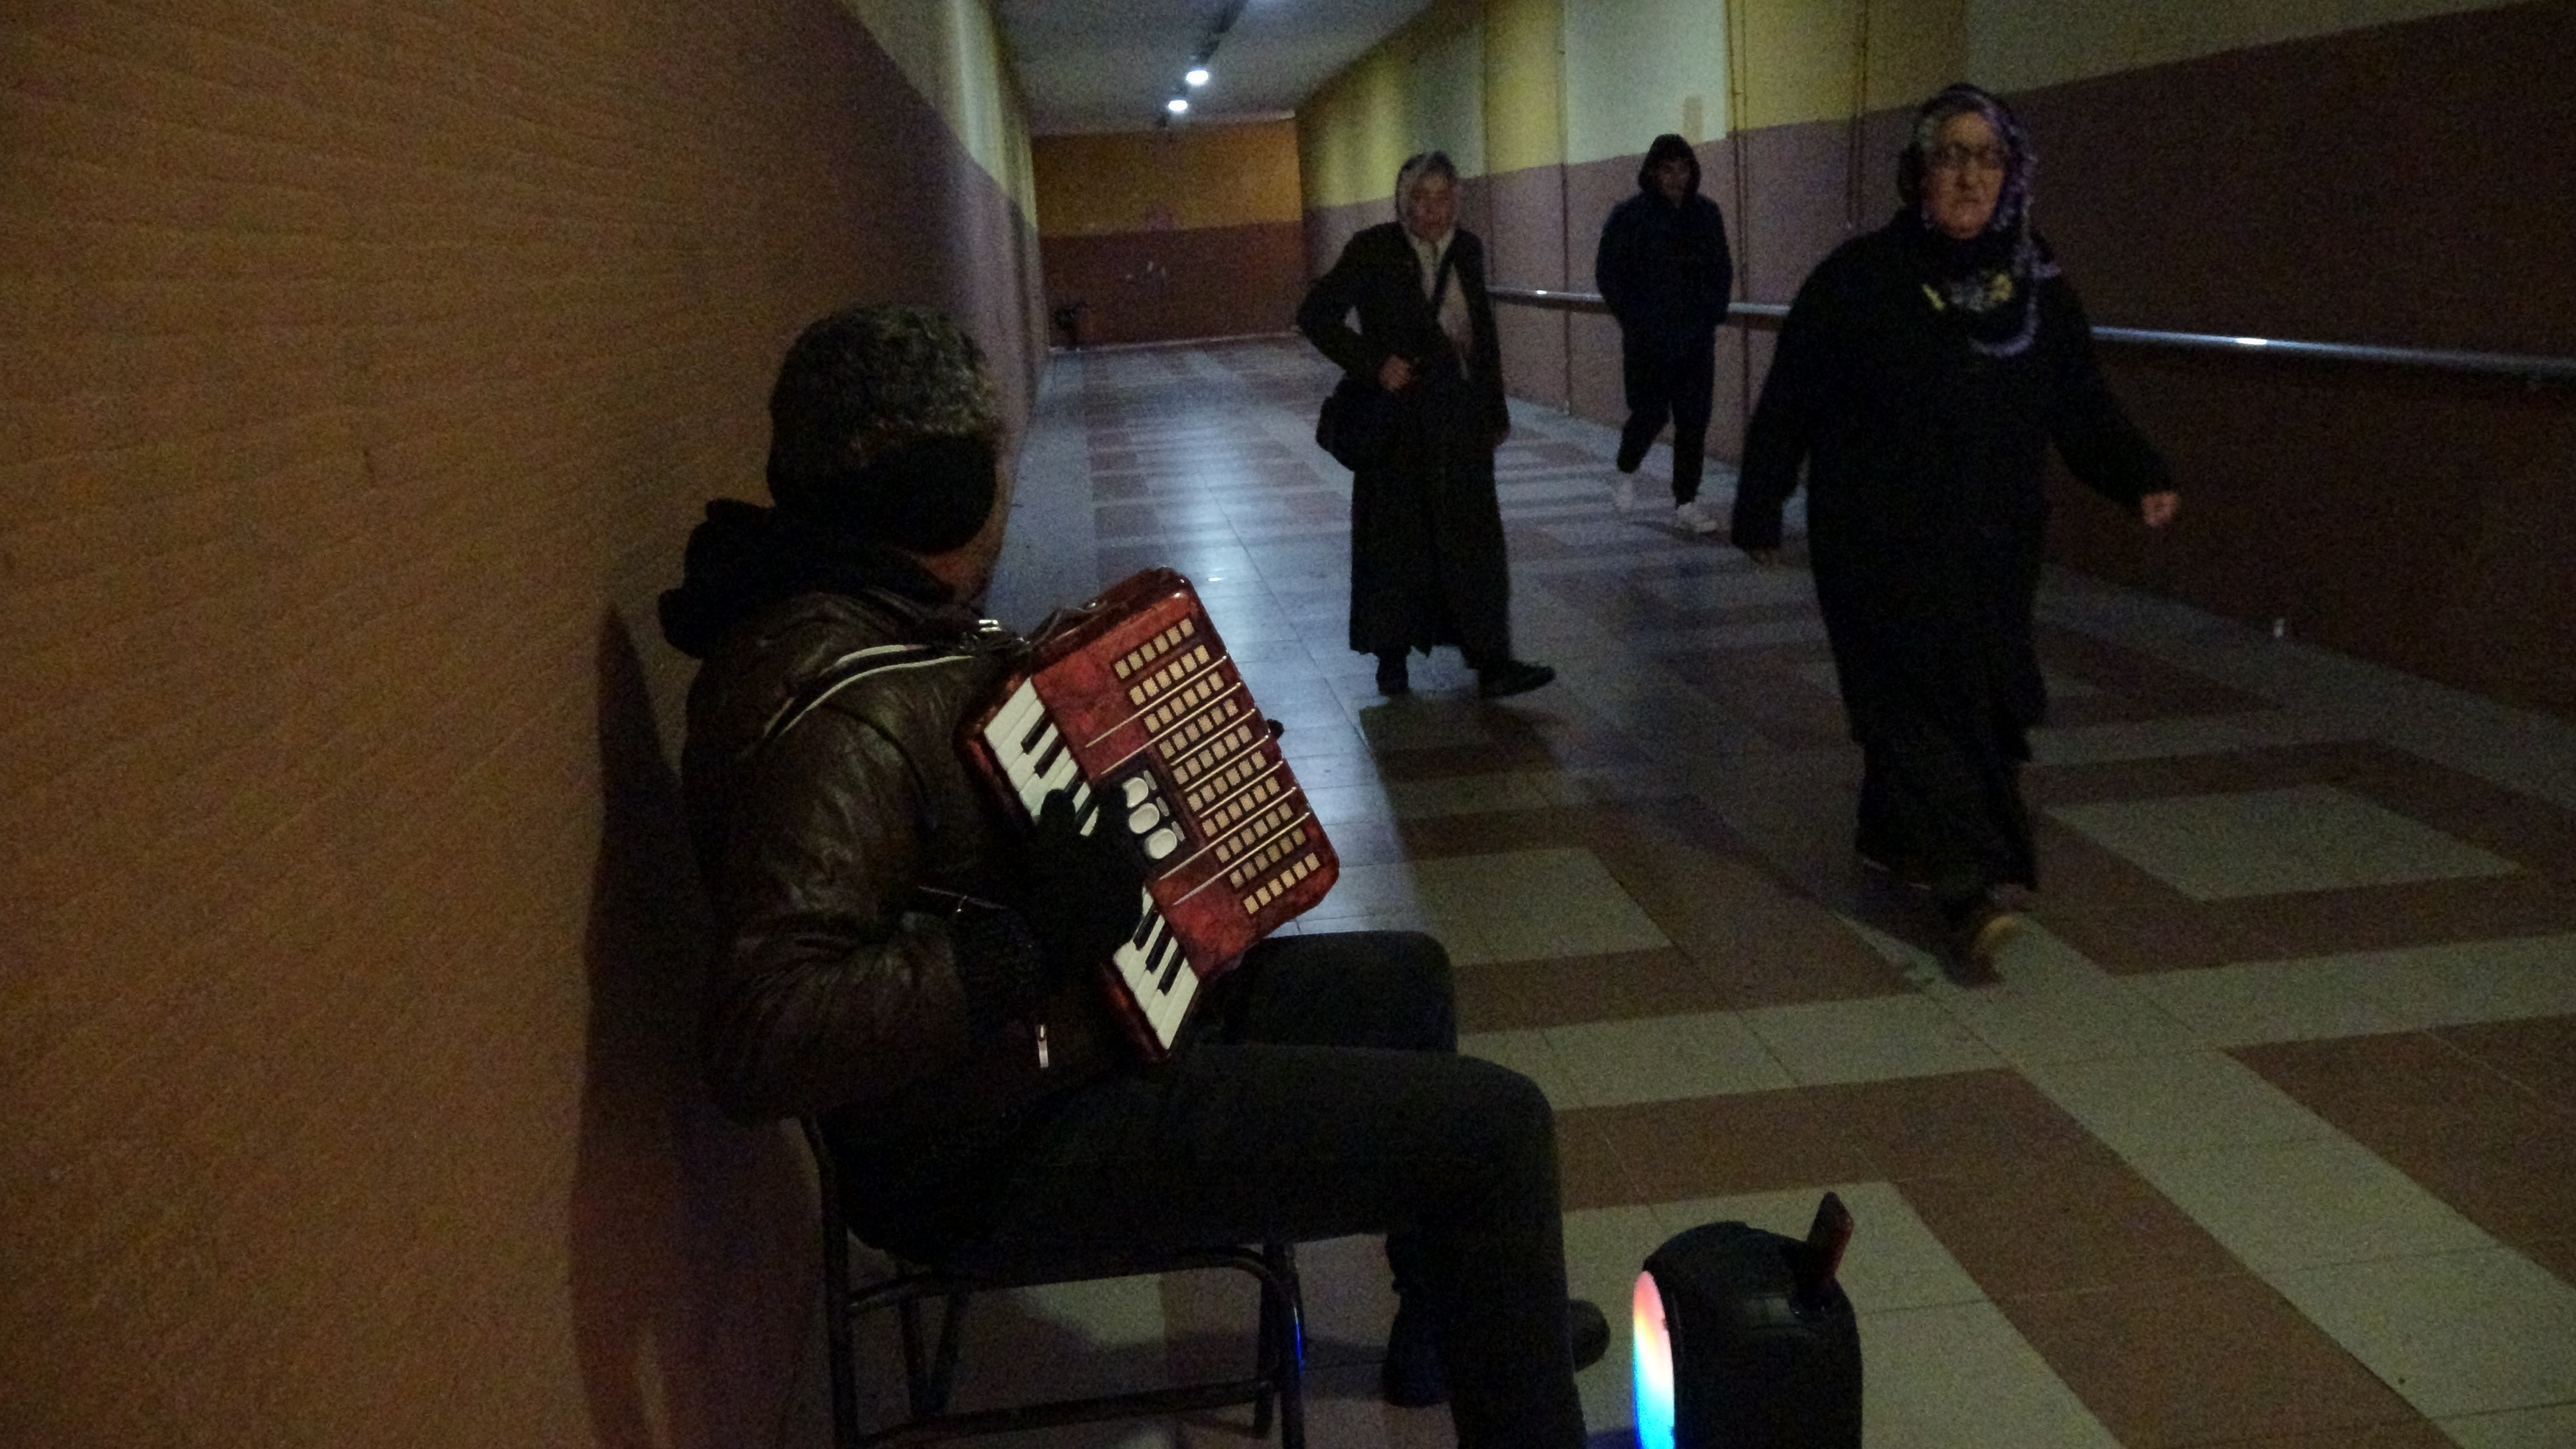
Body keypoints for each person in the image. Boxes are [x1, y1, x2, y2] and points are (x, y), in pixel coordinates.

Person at [657, 304, 1605, 1443]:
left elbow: (973, 846)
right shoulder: (835, 716)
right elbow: (766, 1032)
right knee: (1493, 1134)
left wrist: (1152, 815)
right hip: (995, 1151)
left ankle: (1459, 1325)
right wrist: (1031, 939)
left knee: (1404, 981)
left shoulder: (874, 617)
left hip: (1051, 1049)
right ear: (945, 488)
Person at [1729, 84, 2180, 968]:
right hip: (1877, 542)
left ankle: (1891, 836)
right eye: (1951, 156)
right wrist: (1761, 501)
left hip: (1993, 543)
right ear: (1917, 173)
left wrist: (2136, 474)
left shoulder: (2035, 282)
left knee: (1980, 695)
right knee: (1911, 701)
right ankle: (1966, 889)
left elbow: (2079, 398)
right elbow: (1792, 398)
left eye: (1988, 158)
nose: (1970, 177)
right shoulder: (1861, 278)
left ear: (2012, 174)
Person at [1297, 151, 1555, 701]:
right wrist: (1374, 363)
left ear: (1456, 200)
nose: (1432, 209)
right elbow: (1315, 315)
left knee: (1475, 542)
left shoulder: (1467, 249)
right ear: (1403, 201)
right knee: (1395, 542)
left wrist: (1495, 410)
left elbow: (1481, 336)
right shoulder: (1373, 249)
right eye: (1420, 197)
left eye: (1442, 197)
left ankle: (1492, 661)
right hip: (1398, 422)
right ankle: (1391, 659)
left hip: (1460, 420)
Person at [1595, 132, 1735, 534]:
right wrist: (1635, 320)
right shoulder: (1630, 217)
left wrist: (1711, 314)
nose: (1676, 179)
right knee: (1651, 413)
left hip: (1695, 339)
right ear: (1653, 173)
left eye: (1684, 170)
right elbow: (1608, 273)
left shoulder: (1706, 215)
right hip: (1648, 341)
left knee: (1694, 419)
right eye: (1668, 170)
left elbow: (1721, 269)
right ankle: (1626, 467)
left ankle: (1686, 501)